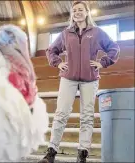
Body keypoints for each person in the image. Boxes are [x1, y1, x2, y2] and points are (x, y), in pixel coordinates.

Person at [38, 1, 120, 163]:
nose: (77, 12)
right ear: (72, 14)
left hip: (90, 79)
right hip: (68, 77)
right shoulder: (66, 33)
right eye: (74, 10)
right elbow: (51, 50)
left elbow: (114, 48)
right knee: (61, 114)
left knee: (87, 116)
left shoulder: (97, 33)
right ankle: (51, 153)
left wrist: (102, 63)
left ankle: (82, 154)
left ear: (87, 12)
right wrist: (58, 63)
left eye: (80, 10)